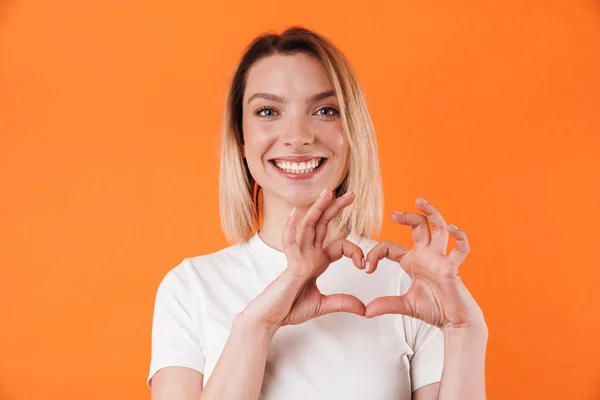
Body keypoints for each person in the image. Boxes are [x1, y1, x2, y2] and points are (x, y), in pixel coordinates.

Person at [147, 26, 488, 400]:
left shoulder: (408, 283)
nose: (297, 136)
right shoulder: (190, 287)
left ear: (352, 131)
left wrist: (464, 330)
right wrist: (257, 325)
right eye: (268, 111)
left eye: (325, 110)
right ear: (241, 139)